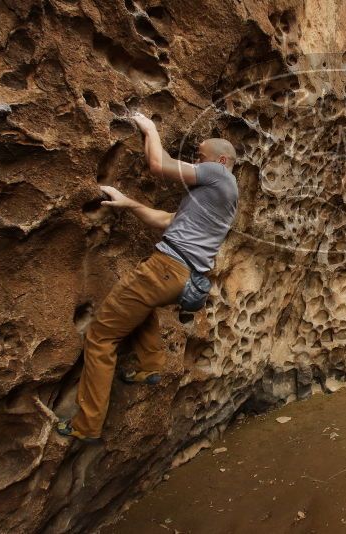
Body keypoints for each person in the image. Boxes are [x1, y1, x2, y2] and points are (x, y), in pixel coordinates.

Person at [56, 112, 239, 442]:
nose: (195, 163)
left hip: (165, 269)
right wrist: (128, 203)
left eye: (199, 158)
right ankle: (151, 365)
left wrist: (150, 127)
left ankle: (87, 425)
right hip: (182, 280)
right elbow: (164, 220)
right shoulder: (217, 200)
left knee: (100, 337)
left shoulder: (220, 176)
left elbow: (159, 164)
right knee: (140, 307)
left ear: (221, 160)